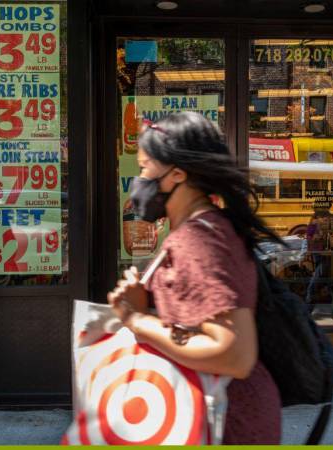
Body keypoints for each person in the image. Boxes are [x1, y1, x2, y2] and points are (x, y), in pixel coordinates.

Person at [107, 112, 282, 444]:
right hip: (208, 415)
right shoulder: (204, 228)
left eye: (144, 168)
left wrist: (136, 319)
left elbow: (235, 354)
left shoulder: (200, 239)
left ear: (176, 174)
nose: (138, 180)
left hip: (225, 424)